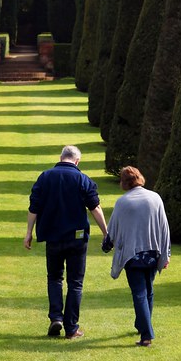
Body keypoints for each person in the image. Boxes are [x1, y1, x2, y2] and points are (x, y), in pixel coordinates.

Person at [25, 145, 108, 339]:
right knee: (75, 283)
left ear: (61, 158)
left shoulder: (45, 177)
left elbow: (34, 207)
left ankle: (56, 317)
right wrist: (106, 232)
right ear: (77, 161)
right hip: (77, 238)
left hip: (53, 237)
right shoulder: (82, 179)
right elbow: (95, 207)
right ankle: (71, 328)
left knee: (54, 278)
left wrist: (28, 232)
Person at [103, 165, 171, 347]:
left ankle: (146, 335)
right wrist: (166, 254)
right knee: (148, 291)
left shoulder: (123, 202)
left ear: (124, 182)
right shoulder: (155, 198)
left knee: (139, 294)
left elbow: (112, 231)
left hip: (132, 256)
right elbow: (164, 228)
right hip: (153, 253)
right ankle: (142, 325)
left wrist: (106, 246)